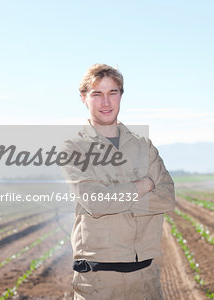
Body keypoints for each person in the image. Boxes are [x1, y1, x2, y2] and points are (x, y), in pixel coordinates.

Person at [61, 63, 175, 300]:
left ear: (121, 96)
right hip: (100, 279)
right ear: (83, 98)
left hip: (145, 277)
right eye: (97, 94)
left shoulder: (144, 146)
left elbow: (167, 198)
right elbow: (96, 203)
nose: (106, 102)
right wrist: (141, 187)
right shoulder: (74, 148)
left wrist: (116, 199)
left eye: (112, 93)